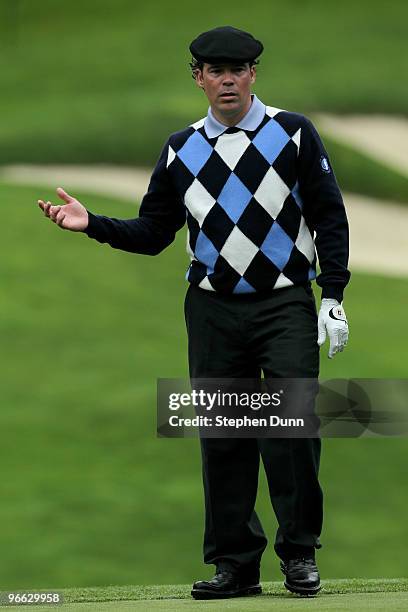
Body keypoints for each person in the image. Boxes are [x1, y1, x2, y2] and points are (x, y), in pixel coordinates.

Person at [38, 26, 350, 599]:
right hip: (211, 310)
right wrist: (94, 225)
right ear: (199, 78)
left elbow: (330, 216)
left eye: (238, 69)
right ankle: (235, 565)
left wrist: (332, 294)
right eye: (215, 70)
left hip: (285, 303)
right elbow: (155, 231)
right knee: (225, 436)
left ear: (254, 74)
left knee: (290, 428)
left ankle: (299, 553)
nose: (227, 79)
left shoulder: (293, 133)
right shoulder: (181, 148)